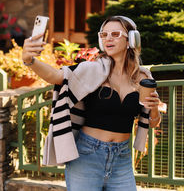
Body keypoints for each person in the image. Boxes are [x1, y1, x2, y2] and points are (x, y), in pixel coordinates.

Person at [22, 15, 161, 191]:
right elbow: (56, 76)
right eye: (104, 35)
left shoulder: (143, 78)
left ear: (131, 40)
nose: (108, 38)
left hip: (122, 158)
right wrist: (30, 60)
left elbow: (153, 122)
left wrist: (154, 107)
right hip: (87, 156)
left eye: (115, 34)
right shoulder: (92, 69)